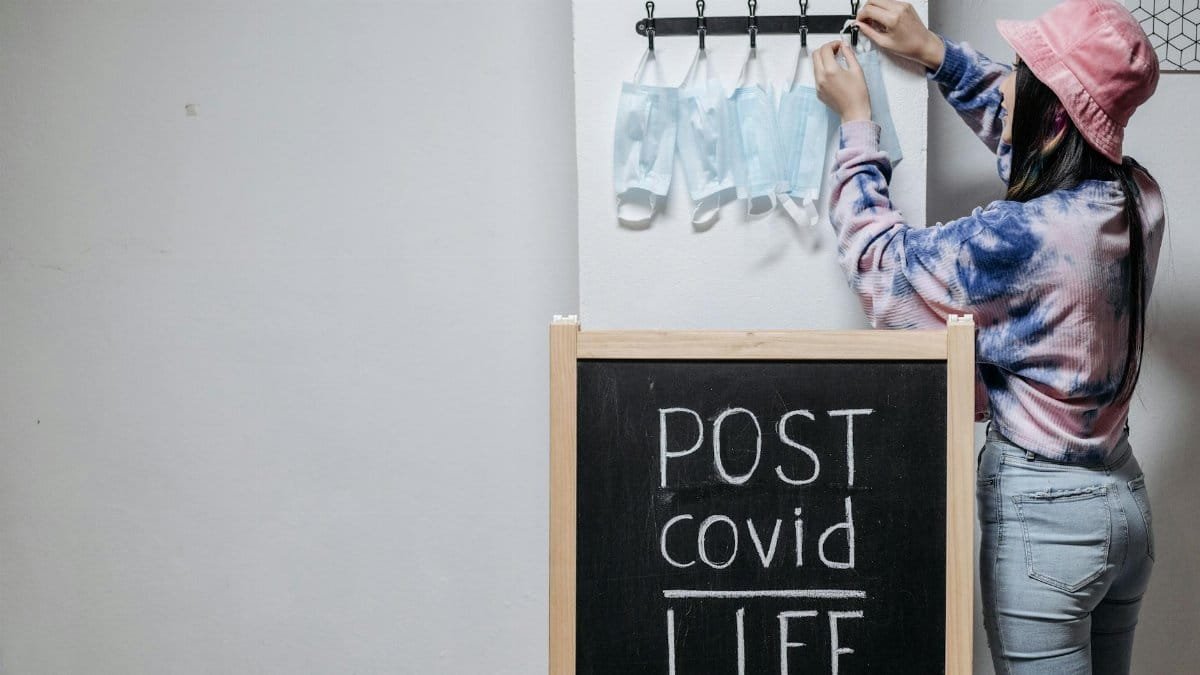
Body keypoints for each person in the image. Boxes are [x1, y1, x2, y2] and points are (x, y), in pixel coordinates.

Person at [811, 0, 1166, 672]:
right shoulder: (1137, 196)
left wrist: (859, 125)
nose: (1014, 85)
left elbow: (879, 260)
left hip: (1050, 526)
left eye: (1025, 77)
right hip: (1124, 506)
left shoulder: (1020, 239)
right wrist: (935, 54)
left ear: (1055, 116)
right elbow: (1042, 137)